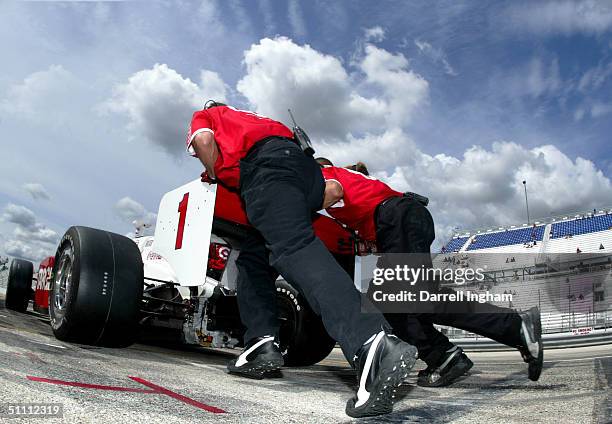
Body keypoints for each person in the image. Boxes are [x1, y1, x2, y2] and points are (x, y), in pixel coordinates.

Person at [186, 102, 417, 418]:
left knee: (293, 246)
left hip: (265, 169)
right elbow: (332, 191)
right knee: (255, 256)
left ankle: (371, 342)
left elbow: (203, 141)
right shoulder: (267, 122)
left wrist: (216, 172)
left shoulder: (212, 113)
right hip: (304, 174)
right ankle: (260, 342)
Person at [319, 163, 544, 387]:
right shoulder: (355, 183)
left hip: (397, 218)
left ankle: (511, 327)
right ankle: (444, 355)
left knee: (413, 299)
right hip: (403, 219)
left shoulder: (322, 172)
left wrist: (305, 206)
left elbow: (333, 190)